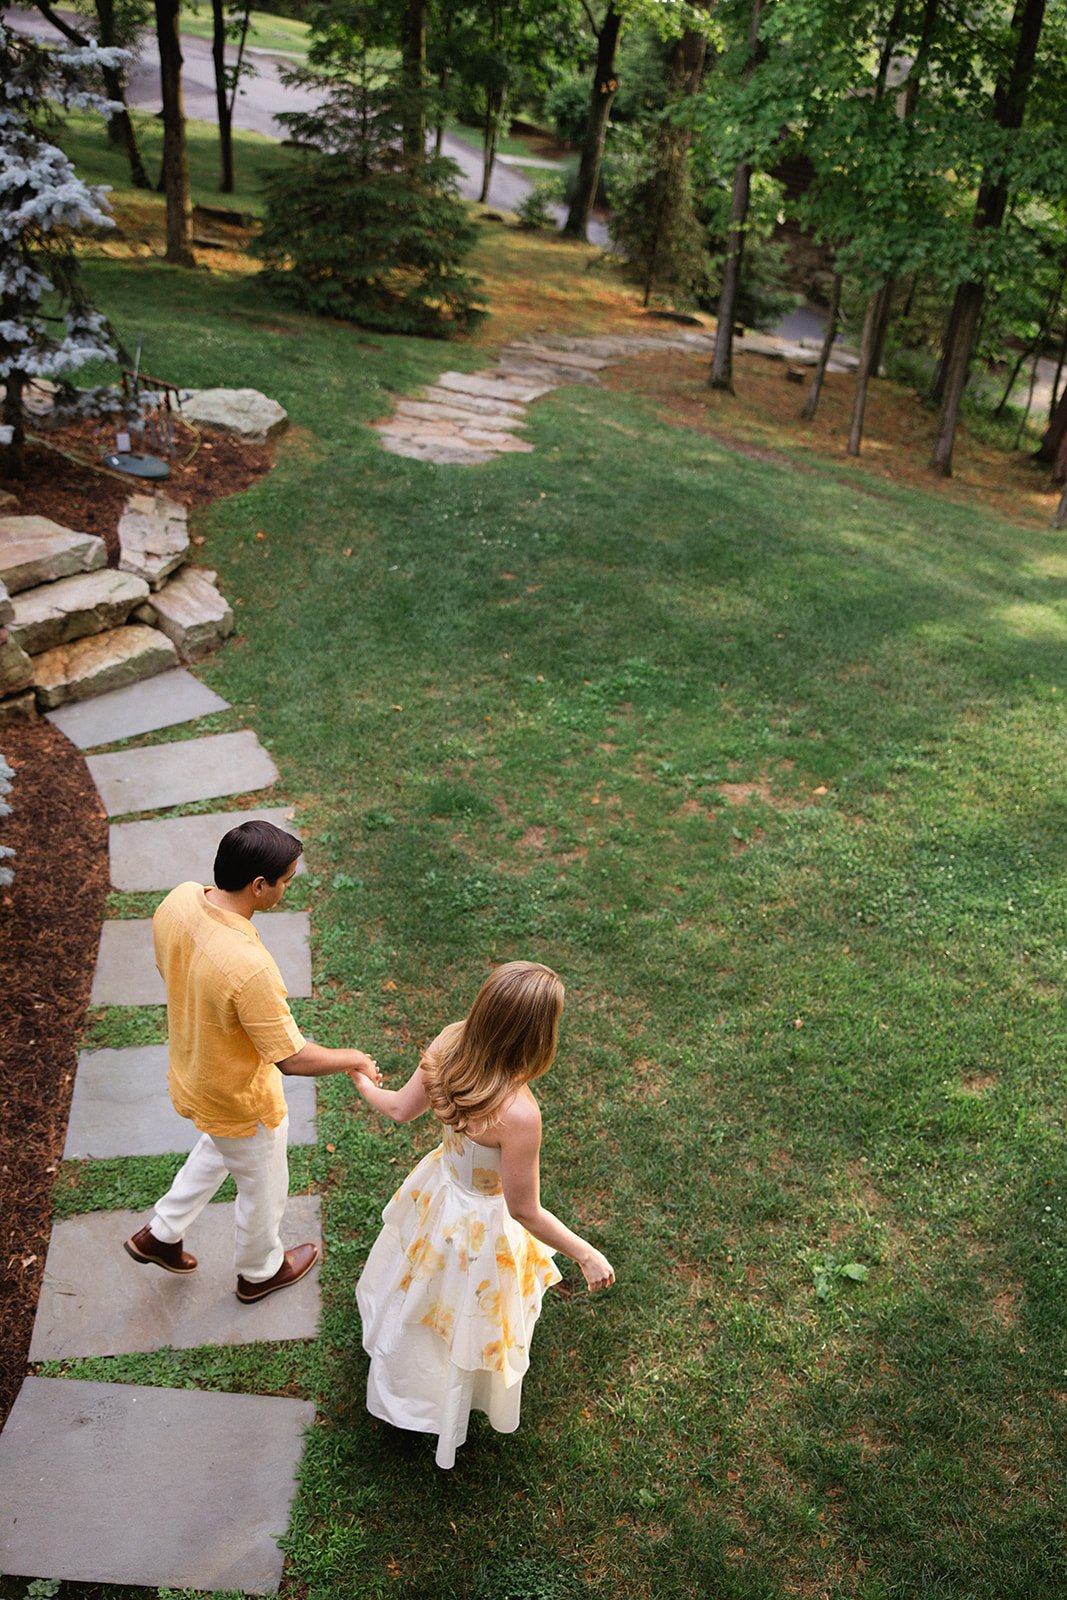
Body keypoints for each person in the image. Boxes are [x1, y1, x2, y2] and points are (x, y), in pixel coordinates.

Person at [353, 960, 614, 1469]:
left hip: (439, 1198)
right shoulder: (518, 1114)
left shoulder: (450, 1043)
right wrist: (585, 1253)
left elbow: (400, 1109)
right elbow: (524, 1211)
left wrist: (366, 1085)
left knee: (420, 1295)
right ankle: (446, 1401)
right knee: (465, 1317)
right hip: (478, 1230)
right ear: (536, 1036)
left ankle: (403, 1380)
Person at [124, 818, 380, 1302]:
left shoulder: (179, 899)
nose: (288, 887)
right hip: (240, 1096)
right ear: (259, 886)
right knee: (263, 1185)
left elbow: (169, 967)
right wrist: (354, 1058)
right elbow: (290, 1057)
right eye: (286, 880)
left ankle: (161, 1232)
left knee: (221, 1147)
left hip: (194, 1070)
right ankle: (260, 1271)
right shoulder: (248, 966)